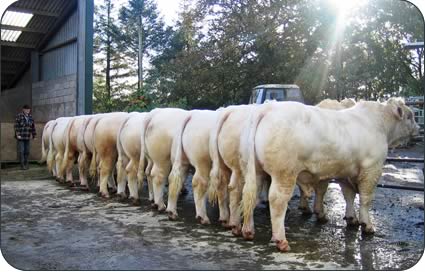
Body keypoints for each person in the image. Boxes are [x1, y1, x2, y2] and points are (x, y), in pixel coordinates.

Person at [14, 104, 36, 170]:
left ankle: (26, 164)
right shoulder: (19, 116)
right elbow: (16, 126)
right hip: (21, 136)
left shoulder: (31, 117)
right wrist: (18, 134)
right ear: (23, 110)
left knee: (27, 151)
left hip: (27, 137)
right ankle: (22, 165)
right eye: (26, 109)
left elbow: (33, 127)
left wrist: (34, 135)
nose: (28, 111)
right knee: (21, 151)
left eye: (29, 109)